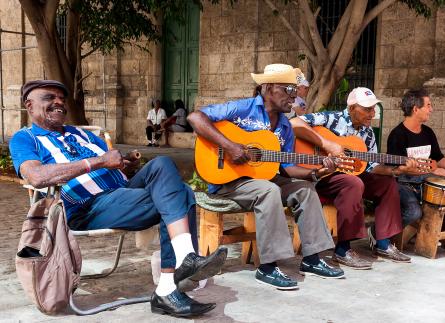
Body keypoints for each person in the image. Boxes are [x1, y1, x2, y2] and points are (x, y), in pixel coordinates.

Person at [9, 80, 227, 318]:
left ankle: (184, 259)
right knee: (181, 194)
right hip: (85, 206)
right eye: (49, 98)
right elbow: (37, 176)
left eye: (62, 98)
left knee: (162, 163)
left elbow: (114, 163)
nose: (59, 102)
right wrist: (99, 161)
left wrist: (126, 164)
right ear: (29, 105)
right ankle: (169, 285)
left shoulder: (79, 133)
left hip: (122, 191)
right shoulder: (25, 138)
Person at [188, 64, 344, 290]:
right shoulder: (242, 109)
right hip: (228, 181)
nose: (294, 96)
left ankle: (312, 259)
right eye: (289, 89)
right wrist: (230, 147)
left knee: (304, 189)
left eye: (295, 90)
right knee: (268, 190)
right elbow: (195, 117)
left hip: (263, 180)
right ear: (269, 88)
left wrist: (317, 170)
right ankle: (268, 267)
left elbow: (288, 168)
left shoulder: (285, 127)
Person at [291, 87, 418, 266]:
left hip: (346, 177)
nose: (372, 114)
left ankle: (382, 242)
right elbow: (294, 123)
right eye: (367, 109)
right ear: (351, 108)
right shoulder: (331, 119)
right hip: (320, 175)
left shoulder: (368, 133)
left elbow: (372, 166)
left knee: (386, 183)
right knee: (353, 182)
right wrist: (327, 145)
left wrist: (397, 170)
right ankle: (343, 250)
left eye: (373, 109)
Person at [387, 89, 445, 227]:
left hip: (425, 183)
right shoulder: (397, 135)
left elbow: (439, 160)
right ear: (416, 109)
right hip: (403, 185)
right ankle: (381, 233)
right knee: (413, 212)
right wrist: (432, 171)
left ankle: (429, 234)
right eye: (428, 105)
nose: (431, 109)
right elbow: (400, 170)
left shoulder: (428, 133)